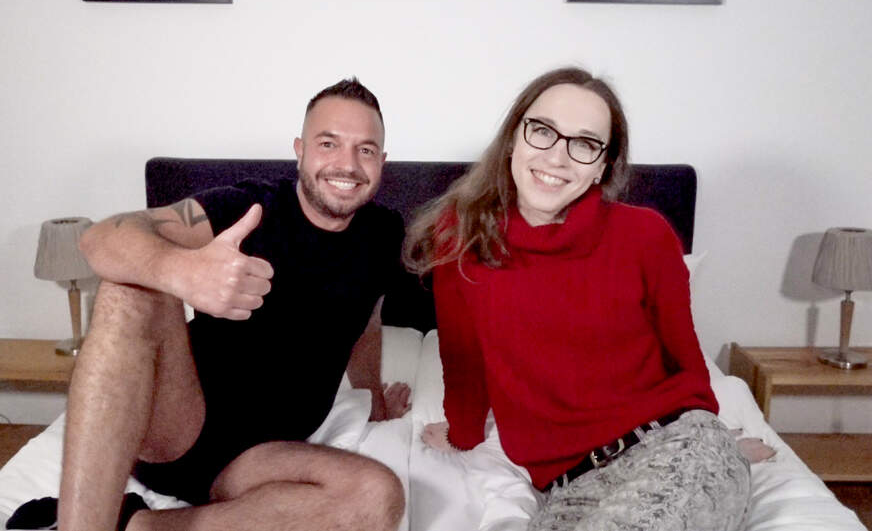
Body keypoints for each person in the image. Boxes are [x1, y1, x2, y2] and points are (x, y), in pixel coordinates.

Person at [404, 67, 750, 530]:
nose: (557, 157)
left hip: (676, 444)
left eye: (585, 144)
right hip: (568, 486)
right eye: (543, 130)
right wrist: (462, 435)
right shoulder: (461, 237)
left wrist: (718, 453)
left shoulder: (645, 235)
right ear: (514, 138)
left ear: (603, 165)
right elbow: (463, 361)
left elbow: (686, 359)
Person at [56, 78, 410, 531]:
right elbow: (100, 238)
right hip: (179, 425)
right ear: (300, 150)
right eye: (329, 143)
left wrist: (374, 398)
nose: (348, 163)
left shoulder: (383, 233)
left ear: (382, 161)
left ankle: (141, 526)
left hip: (261, 459)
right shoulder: (246, 207)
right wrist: (184, 272)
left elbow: (367, 320)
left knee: (379, 496)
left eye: (365, 150)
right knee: (130, 287)